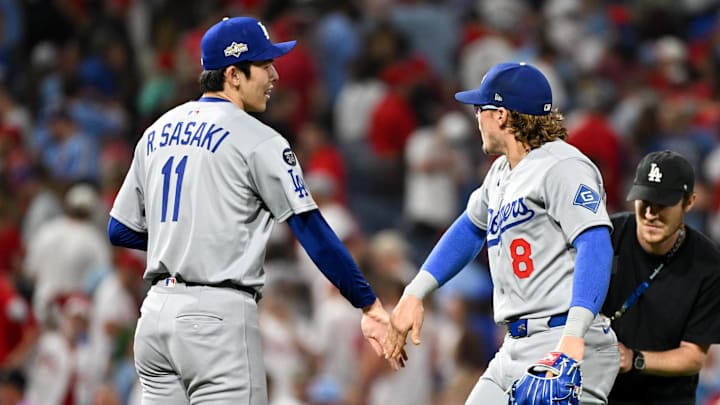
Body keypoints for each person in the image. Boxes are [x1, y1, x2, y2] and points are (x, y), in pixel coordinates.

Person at [107, 16, 401, 404]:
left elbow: (119, 229)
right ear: (233, 74)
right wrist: (368, 303)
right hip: (216, 318)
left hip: (156, 317)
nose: (275, 75)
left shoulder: (157, 131)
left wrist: (183, 237)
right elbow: (313, 232)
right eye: (264, 66)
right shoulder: (258, 139)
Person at [387, 62, 620, 404]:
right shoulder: (500, 173)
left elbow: (596, 243)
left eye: (480, 109)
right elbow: (469, 227)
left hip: (562, 339)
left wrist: (574, 335)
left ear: (501, 116)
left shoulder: (562, 166)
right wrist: (415, 292)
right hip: (513, 346)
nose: (476, 117)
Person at [602, 150, 720, 405]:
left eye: (663, 204)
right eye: (645, 201)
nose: (650, 214)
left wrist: (634, 359)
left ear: (689, 203)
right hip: (598, 391)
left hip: (665, 398)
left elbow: (693, 357)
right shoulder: (606, 236)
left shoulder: (708, 266)